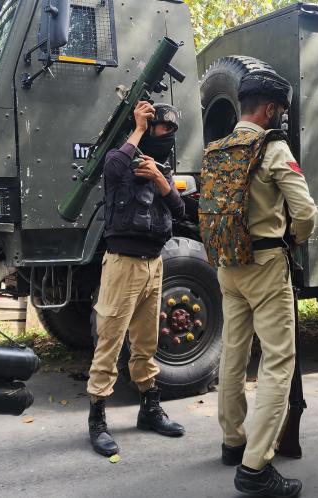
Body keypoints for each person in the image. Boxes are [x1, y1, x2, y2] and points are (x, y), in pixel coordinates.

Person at [200, 68, 317, 498]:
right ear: (270, 109)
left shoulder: (217, 148)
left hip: (227, 263)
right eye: (281, 110)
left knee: (233, 352)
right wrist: (296, 241)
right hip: (266, 262)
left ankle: (233, 440)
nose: (281, 117)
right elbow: (305, 211)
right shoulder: (273, 147)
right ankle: (255, 466)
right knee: (277, 361)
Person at [86, 101, 186, 457]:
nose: (167, 135)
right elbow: (111, 170)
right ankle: (97, 417)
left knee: (146, 342)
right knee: (110, 339)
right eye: (161, 128)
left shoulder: (164, 169)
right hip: (122, 264)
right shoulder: (121, 156)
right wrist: (139, 128)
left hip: (154, 263)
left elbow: (178, 209)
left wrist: (160, 179)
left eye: (170, 130)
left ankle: (150, 407)